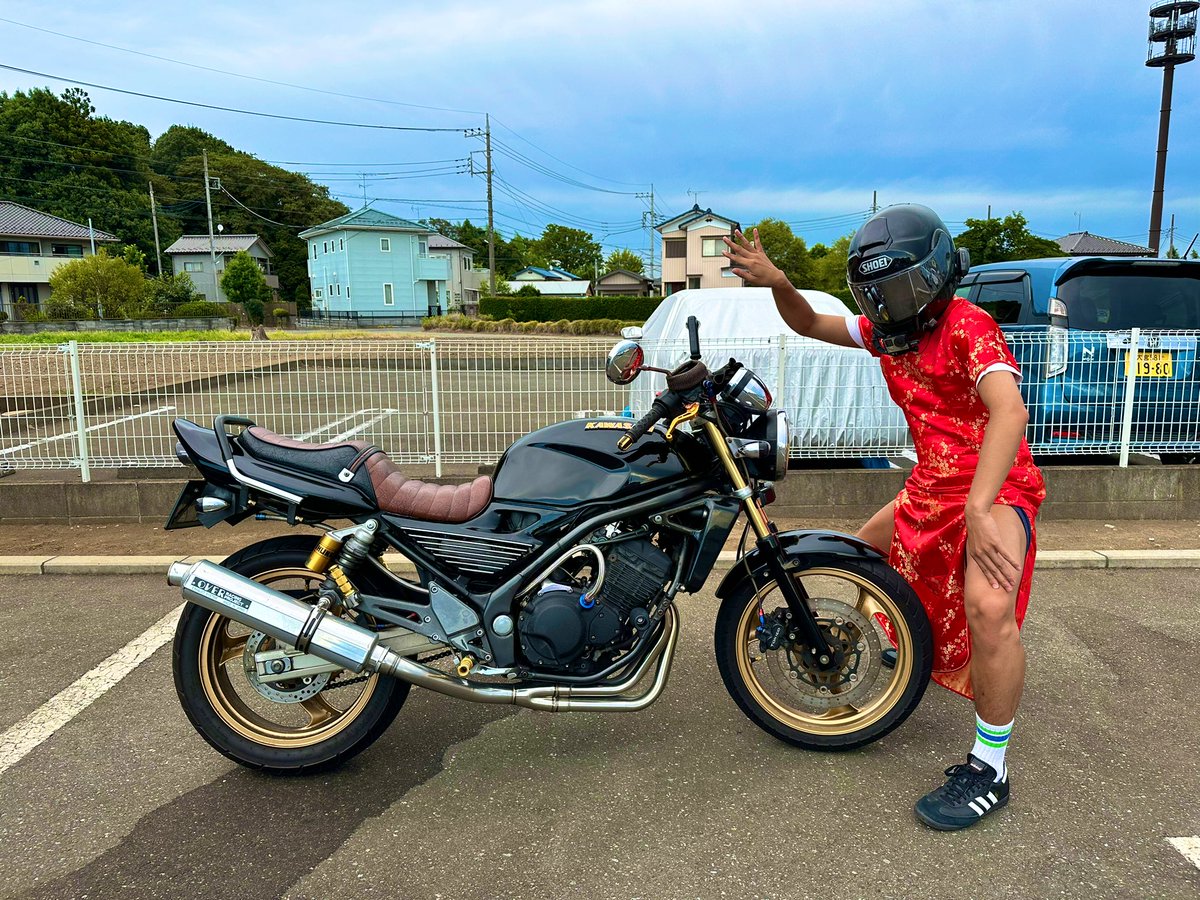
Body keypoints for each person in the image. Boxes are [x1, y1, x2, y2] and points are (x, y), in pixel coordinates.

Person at [724, 204, 1046, 831]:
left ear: (931, 276)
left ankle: (991, 767)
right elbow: (813, 323)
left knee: (988, 606)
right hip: (931, 483)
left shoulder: (967, 324)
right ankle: (884, 649)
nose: (884, 304)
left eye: (896, 290)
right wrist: (779, 282)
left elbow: (1009, 412)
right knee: (859, 561)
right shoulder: (889, 329)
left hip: (995, 484)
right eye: (874, 294)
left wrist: (982, 508)